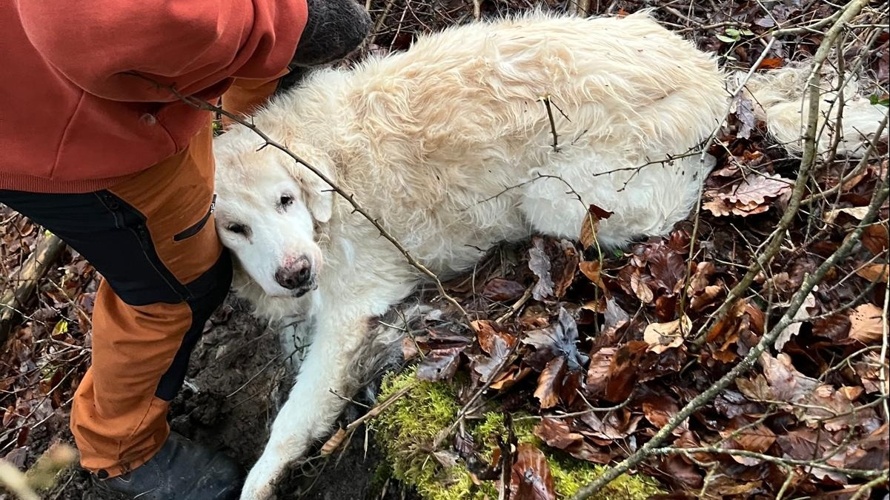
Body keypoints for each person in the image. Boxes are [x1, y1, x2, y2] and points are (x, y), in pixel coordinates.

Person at [0, 0, 370, 498]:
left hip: (141, 77)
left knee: (258, 106)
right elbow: (84, 21)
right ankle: (121, 450)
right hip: (66, 124)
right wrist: (280, 21)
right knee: (174, 284)